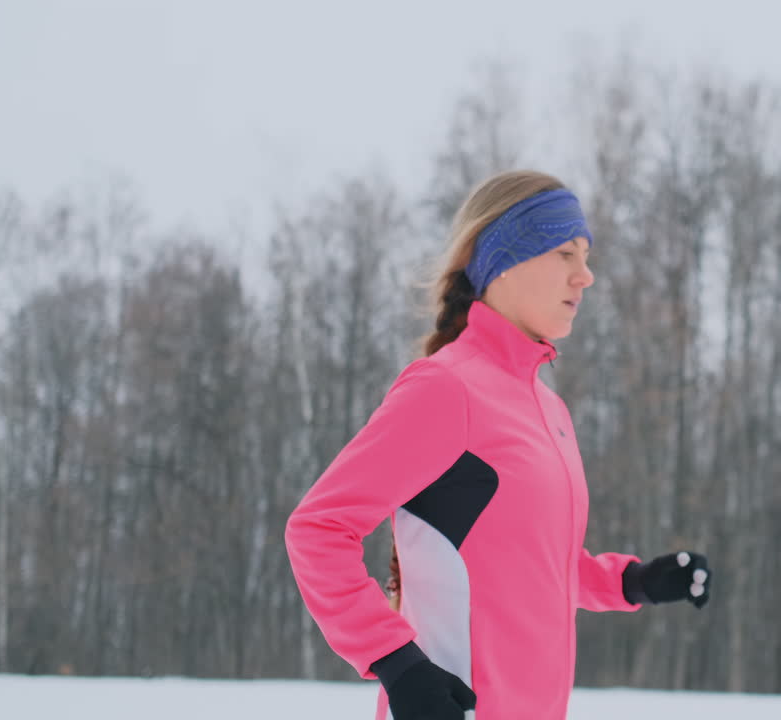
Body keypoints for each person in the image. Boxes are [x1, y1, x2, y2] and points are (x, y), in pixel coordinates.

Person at [285, 170, 712, 720]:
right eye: (565, 253)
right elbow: (318, 529)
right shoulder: (445, 388)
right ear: (503, 261)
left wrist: (633, 581)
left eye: (586, 255)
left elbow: (530, 563)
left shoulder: (547, 408)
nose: (586, 276)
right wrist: (396, 661)